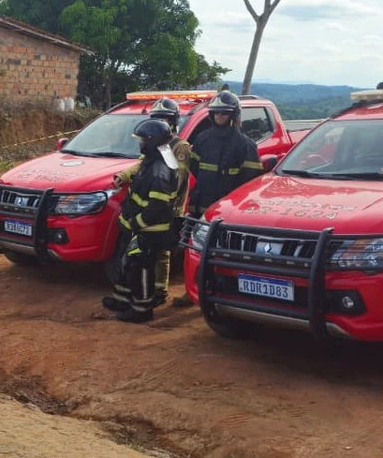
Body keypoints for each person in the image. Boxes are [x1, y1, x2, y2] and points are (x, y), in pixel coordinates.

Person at [114, 98, 191, 307]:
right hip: (155, 207)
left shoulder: (176, 147)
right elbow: (142, 164)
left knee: (162, 252)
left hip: (171, 207)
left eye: (165, 118)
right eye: (157, 119)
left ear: (173, 121)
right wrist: (124, 175)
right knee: (146, 251)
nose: (161, 122)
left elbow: (177, 178)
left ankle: (158, 291)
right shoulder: (154, 145)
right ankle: (147, 290)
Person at [103, 118, 179, 323]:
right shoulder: (153, 159)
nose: (140, 143)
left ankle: (142, 309)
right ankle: (122, 300)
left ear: (153, 141)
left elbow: (157, 206)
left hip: (151, 229)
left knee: (141, 267)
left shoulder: (159, 171)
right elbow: (139, 169)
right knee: (127, 263)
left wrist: (135, 223)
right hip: (142, 227)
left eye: (143, 140)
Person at [188, 90, 263, 218]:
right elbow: (193, 165)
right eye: (216, 112)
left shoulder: (245, 144)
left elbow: (251, 178)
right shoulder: (202, 138)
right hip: (200, 202)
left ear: (233, 114)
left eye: (224, 113)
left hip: (228, 205)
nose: (219, 116)